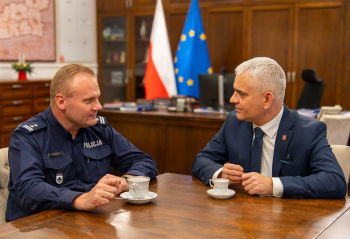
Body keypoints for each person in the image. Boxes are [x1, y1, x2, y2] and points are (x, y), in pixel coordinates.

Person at [6, 64, 158, 221]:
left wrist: (126, 181)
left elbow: (144, 161)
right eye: (88, 100)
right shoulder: (27, 136)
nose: (98, 106)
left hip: (90, 221)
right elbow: (28, 189)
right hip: (39, 227)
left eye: (97, 98)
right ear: (61, 102)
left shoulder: (99, 129)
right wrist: (80, 199)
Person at [192, 57, 346, 199]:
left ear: (267, 99)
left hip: (289, 221)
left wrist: (273, 185)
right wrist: (220, 173)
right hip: (241, 217)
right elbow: (201, 160)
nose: (232, 99)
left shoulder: (308, 131)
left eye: (241, 94)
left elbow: (335, 181)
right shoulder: (234, 122)